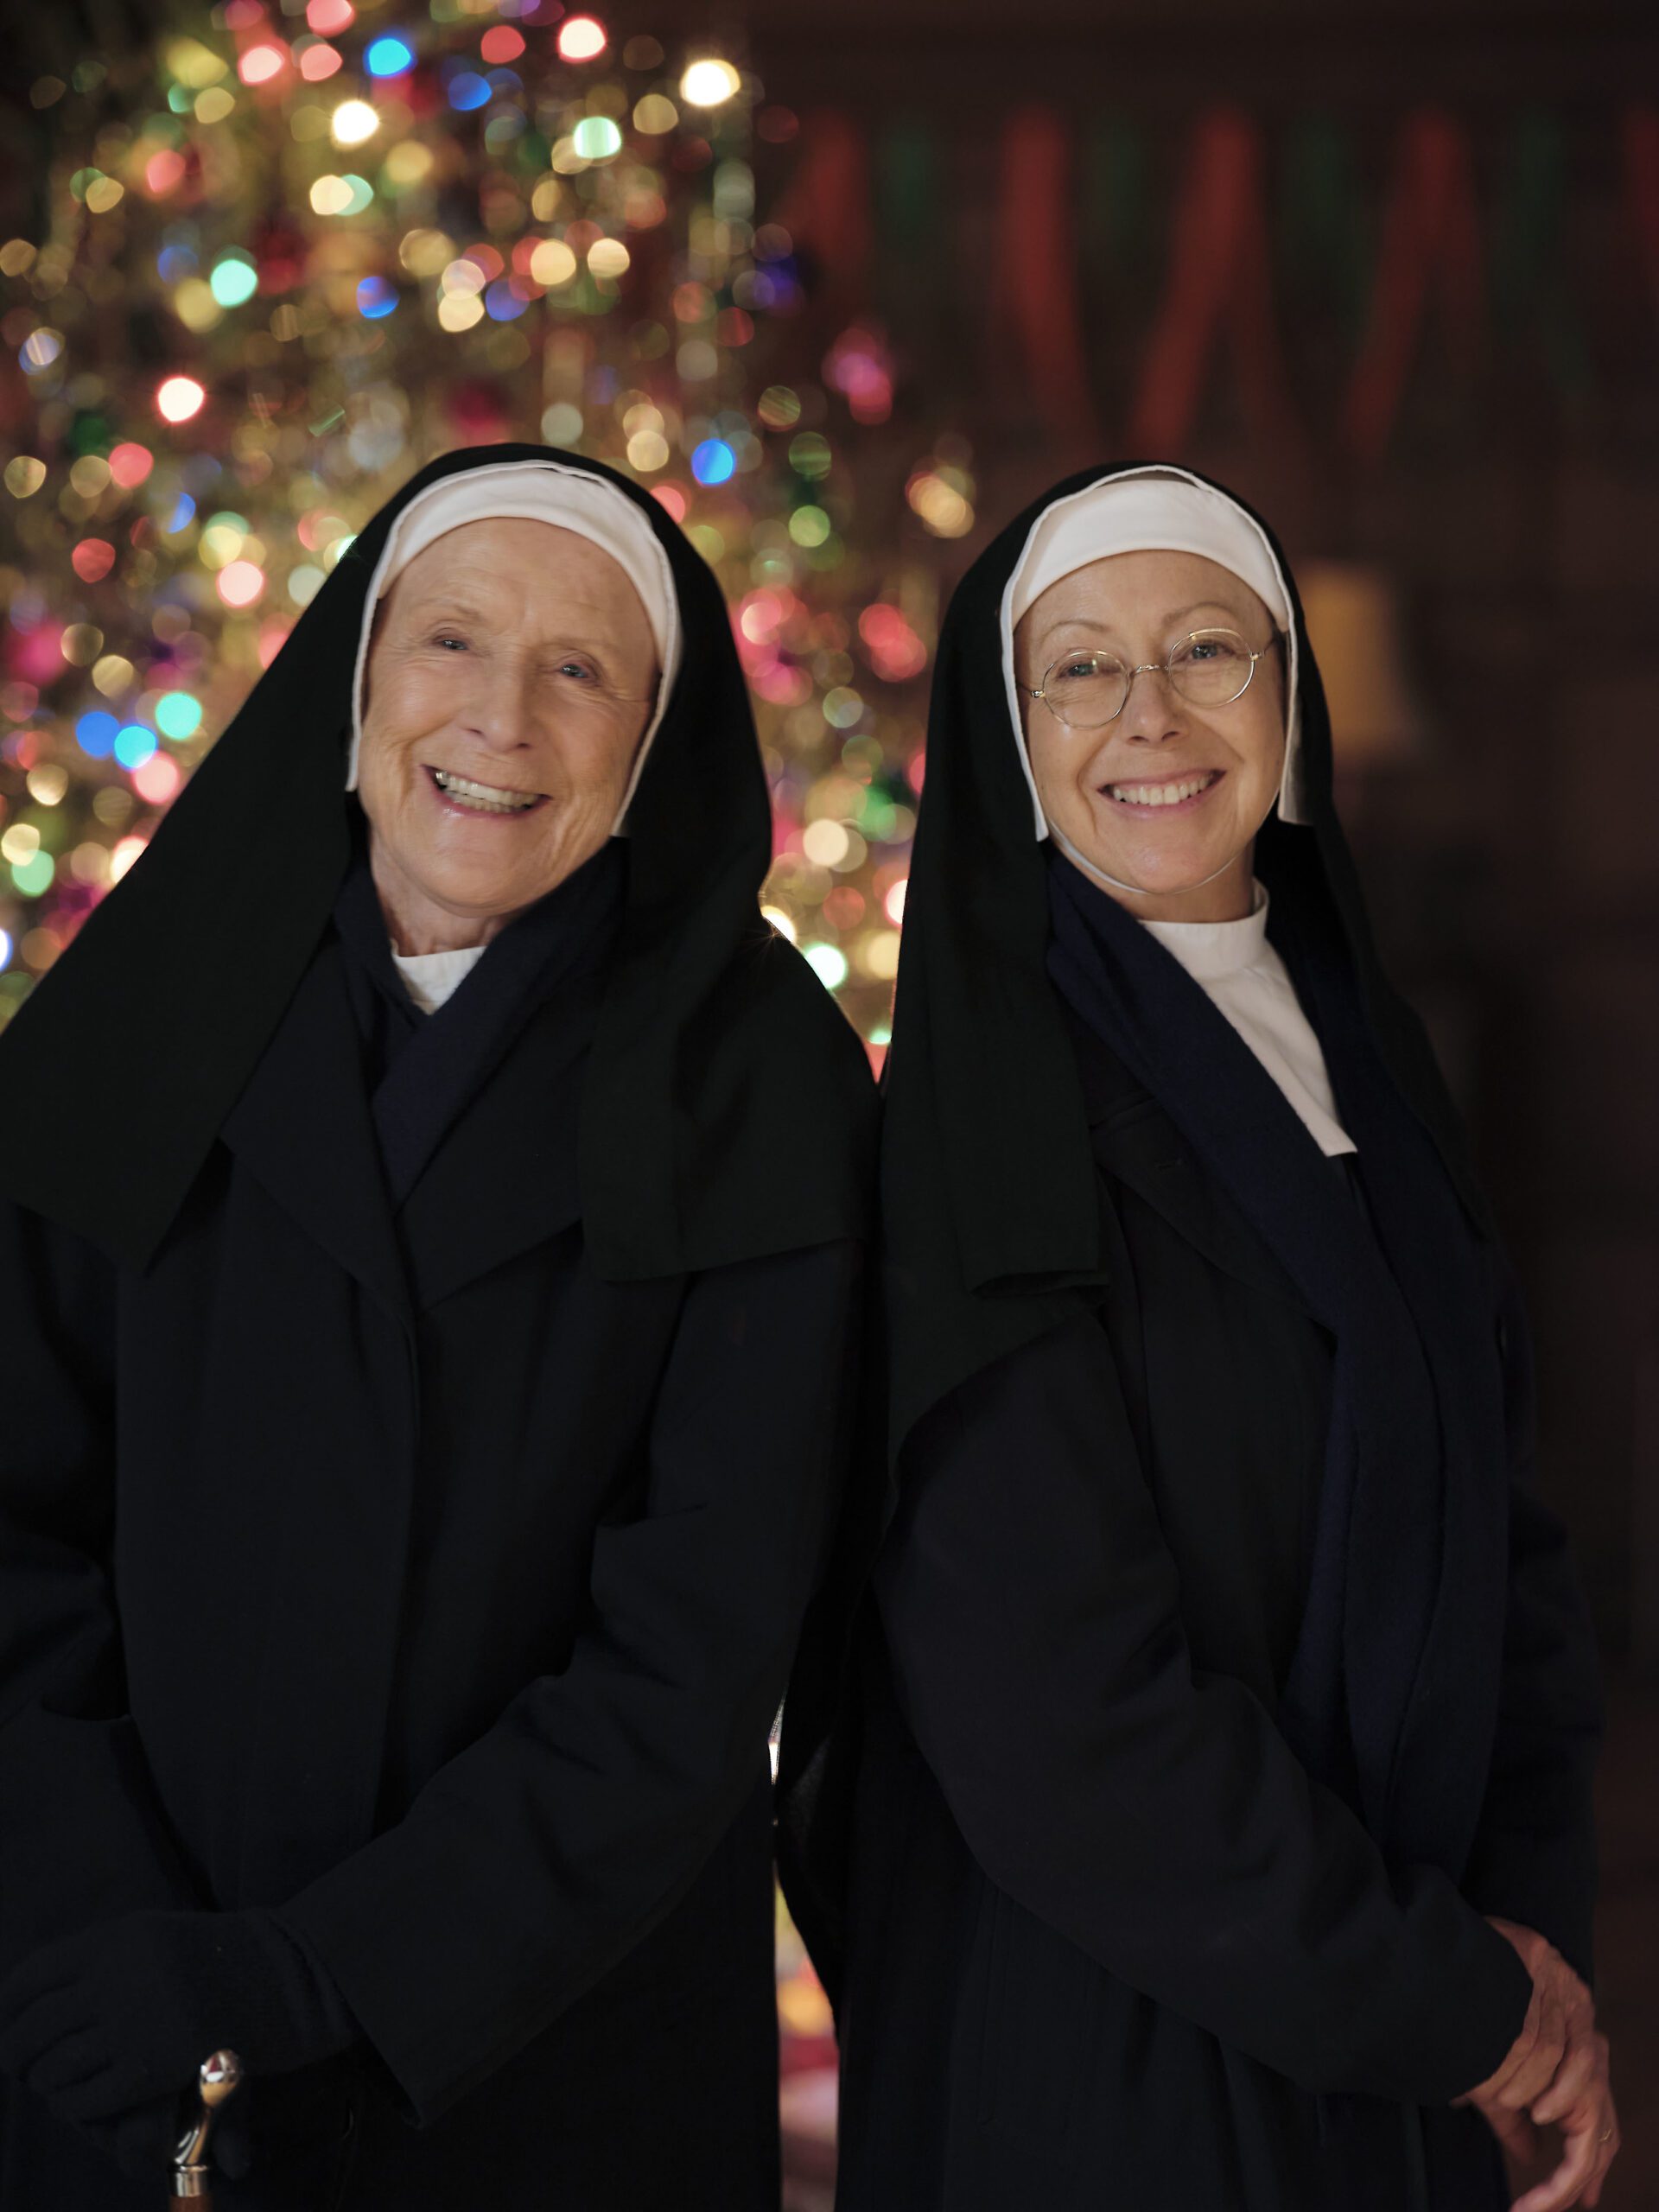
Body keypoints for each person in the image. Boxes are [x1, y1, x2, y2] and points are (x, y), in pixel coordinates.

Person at [0, 445, 875, 2209]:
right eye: (453, 642)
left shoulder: (761, 1076)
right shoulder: (139, 997)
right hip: (111, 2027)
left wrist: (321, 1975)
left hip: (550, 2058)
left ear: (650, 734)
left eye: (581, 667)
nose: (503, 717)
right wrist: (132, 1949)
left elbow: (693, 1657)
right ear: (360, 675)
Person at [780, 464, 1612, 2212]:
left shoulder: (1368, 1059)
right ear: (1009, 731)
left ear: (1289, 698)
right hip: (1109, 2051)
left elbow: (1506, 1544)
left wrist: (1531, 1954)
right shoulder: (974, 1132)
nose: (1148, 713)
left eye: (1208, 648)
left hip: (1410, 2019)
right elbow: (1058, 1711)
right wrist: (1463, 2000)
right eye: (1079, 666)